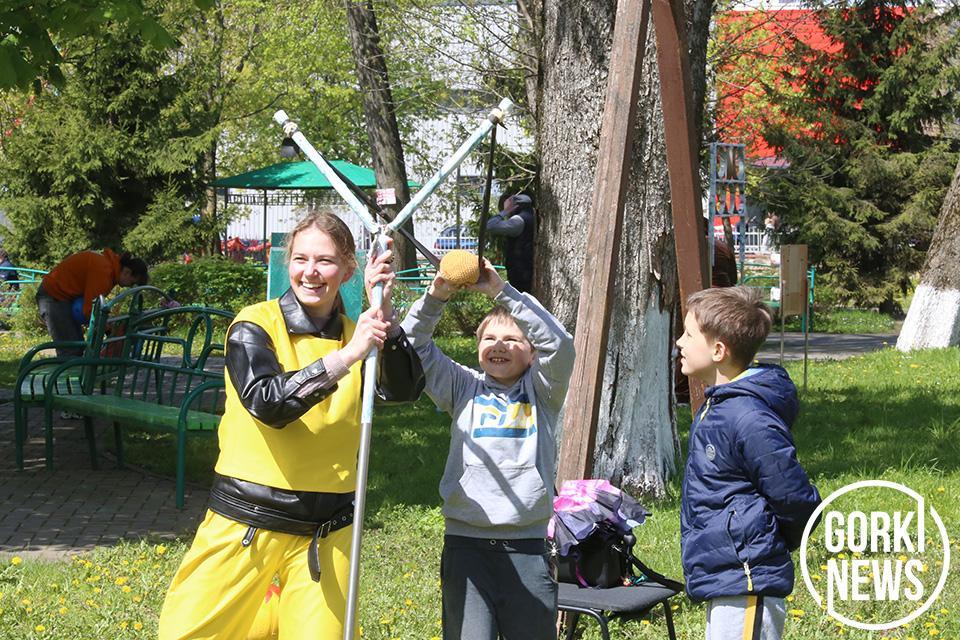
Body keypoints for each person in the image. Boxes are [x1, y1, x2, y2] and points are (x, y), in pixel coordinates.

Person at [158, 210, 424, 640]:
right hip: (248, 519)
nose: (310, 272)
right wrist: (347, 356)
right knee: (186, 633)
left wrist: (387, 319)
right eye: (301, 259)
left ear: (348, 270)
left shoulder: (359, 333)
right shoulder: (253, 324)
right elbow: (267, 403)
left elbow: (404, 389)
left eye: (325, 261)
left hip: (326, 528)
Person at [400, 259, 575, 640]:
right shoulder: (463, 387)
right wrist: (437, 294)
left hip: (527, 548)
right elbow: (411, 345)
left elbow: (559, 344)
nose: (498, 345)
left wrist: (501, 291)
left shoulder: (543, 392)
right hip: (466, 547)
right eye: (489, 339)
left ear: (532, 354)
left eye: (512, 339)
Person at [676, 286, 820, 640]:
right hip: (725, 577)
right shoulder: (717, 407)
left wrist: (761, 543)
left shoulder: (749, 417)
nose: (679, 342)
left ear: (718, 351)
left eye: (689, 334)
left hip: (747, 579)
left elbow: (795, 498)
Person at [36, 249, 148, 356]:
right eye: (132, 283)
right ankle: (66, 368)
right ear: (127, 272)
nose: (130, 286)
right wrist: (110, 330)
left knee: (78, 347)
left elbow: (94, 307)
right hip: (53, 297)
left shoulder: (110, 269)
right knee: (70, 349)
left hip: (64, 298)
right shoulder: (104, 272)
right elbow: (90, 310)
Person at [485, 193, 535, 293]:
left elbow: (490, 226)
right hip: (528, 271)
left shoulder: (518, 221)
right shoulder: (531, 216)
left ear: (514, 206)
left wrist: (505, 211)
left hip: (521, 274)